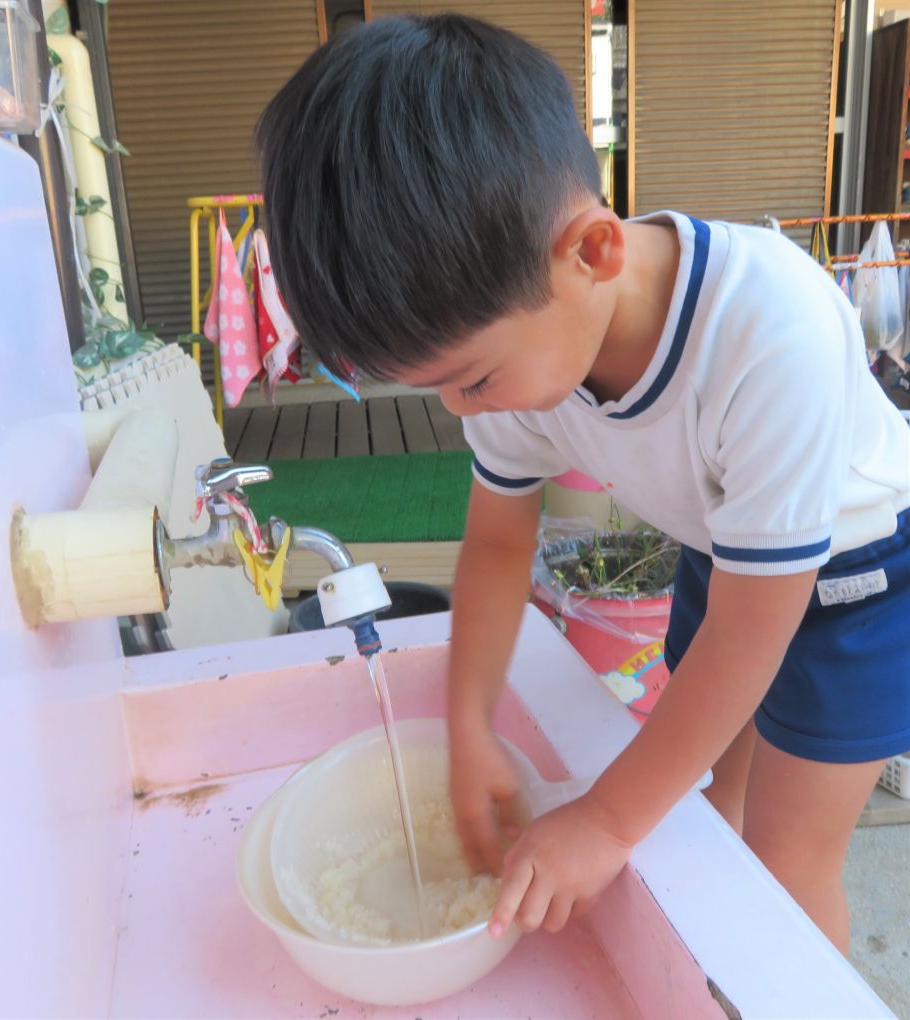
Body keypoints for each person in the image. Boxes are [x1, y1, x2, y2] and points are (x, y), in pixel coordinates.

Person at [255, 13, 910, 953]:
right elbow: (493, 544)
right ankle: (712, 972)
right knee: (706, 806)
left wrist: (604, 822)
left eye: (469, 379)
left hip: (856, 584)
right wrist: (469, 721)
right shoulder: (525, 335)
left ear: (591, 252)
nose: (463, 415)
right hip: (729, 556)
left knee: (785, 861)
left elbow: (758, 623)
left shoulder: (774, 330)